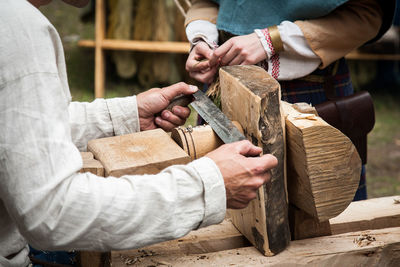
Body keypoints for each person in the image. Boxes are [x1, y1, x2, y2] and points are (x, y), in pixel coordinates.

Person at [0, 0, 279, 266]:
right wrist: (210, 186)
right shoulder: (19, 30)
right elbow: (54, 213)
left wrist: (128, 115)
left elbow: (19, 131)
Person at [184, 0, 394, 201]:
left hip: (308, 93)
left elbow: (368, 15)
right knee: (224, 210)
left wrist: (271, 40)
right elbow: (207, 2)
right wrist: (202, 39)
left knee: (324, 214)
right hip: (222, 85)